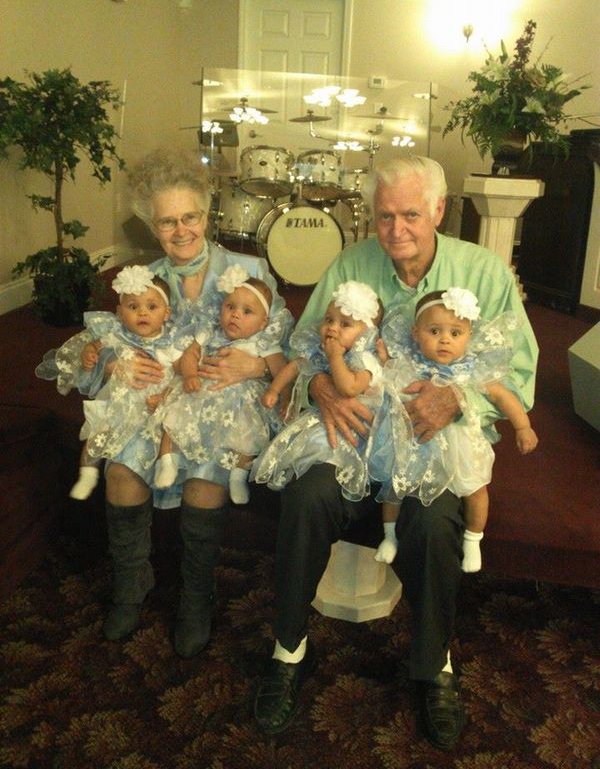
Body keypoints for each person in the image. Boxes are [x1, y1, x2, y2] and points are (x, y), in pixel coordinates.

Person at [252, 155, 538, 750]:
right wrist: (318, 384)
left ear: (439, 210)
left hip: (432, 444)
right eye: (385, 216)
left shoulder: (484, 271)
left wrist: (458, 400)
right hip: (356, 437)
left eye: (410, 214)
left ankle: (433, 664)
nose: (396, 229)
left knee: (433, 524)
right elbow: (306, 340)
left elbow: (520, 371)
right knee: (306, 496)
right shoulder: (352, 262)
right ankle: (288, 648)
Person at [52, 147, 292, 658]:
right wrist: (114, 365)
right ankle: (131, 583)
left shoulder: (249, 268)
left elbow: (288, 346)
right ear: (152, 226)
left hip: (222, 399)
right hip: (156, 397)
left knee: (205, 474)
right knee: (121, 469)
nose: (181, 230)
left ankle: (196, 597)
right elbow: (112, 338)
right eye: (167, 222)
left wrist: (254, 367)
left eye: (190, 217)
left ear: (207, 214)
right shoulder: (145, 278)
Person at [370, 287, 539, 571]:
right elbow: (389, 374)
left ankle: (473, 540)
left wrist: (523, 427)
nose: (445, 339)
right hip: (415, 441)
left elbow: (502, 395)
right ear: (415, 334)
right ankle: (389, 537)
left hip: (460, 445)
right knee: (394, 487)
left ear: (468, 337)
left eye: (455, 333)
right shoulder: (412, 362)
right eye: (434, 331)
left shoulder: (471, 368)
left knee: (475, 490)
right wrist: (383, 359)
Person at [36, 265, 188, 501]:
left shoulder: (170, 342)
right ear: (119, 312)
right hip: (119, 400)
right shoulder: (117, 334)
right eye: (133, 307)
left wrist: (165, 397)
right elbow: (95, 345)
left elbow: (181, 375)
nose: (142, 313)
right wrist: (89, 352)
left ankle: (166, 463)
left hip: (153, 403)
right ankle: (87, 474)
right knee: (97, 434)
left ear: (166, 313)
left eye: (151, 307)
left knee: (167, 430)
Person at [155, 263, 290, 505]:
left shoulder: (263, 342)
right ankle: (167, 462)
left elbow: (282, 370)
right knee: (174, 418)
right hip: (201, 391)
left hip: (241, 403)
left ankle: (238, 475)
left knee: (248, 433)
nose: (235, 315)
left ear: (263, 322)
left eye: (247, 311)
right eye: (230, 307)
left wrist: (275, 390)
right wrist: (189, 375)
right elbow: (190, 354)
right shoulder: (210, 332)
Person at [251, 280, 384, 503]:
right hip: (320, 418)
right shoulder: (320, 350)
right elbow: (296, 366)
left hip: (354, 429)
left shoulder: (364, 361)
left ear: (366, 334)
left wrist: (335, 357)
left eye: (345, 324)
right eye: (329, 320)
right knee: (306, 454)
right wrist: (274, 389)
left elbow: (349, 388)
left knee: (327, 453)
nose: (332, 328)